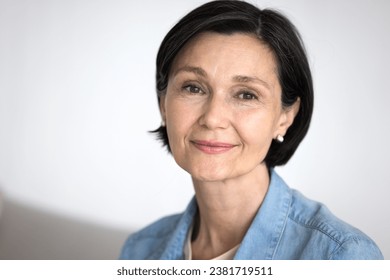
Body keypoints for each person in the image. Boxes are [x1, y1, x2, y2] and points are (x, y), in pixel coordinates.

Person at [120, 0, 383, 259]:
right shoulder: (139, 251)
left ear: (285, 116)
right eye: (193, 87)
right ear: (162, 104)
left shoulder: (341, 256)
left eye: (246, 95)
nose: (213, 118)